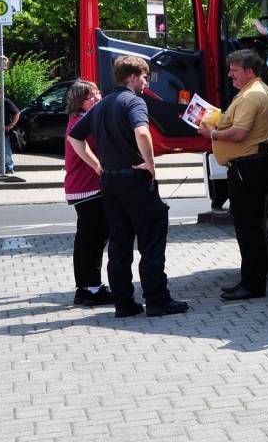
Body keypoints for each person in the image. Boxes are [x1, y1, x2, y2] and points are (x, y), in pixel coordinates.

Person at [67, 55, 188, 318]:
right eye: (144, 77)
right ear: (132, 77)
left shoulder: (103, 104)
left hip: (109, 181)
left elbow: (74, 136)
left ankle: (124, 303)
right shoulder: (134, 101)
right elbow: (142, 132)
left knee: (120, 242)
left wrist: (97, 165)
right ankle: (157, 299)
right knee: (152, 238)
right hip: (134, 178)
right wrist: (150, 164)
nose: (145, 82)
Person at [198, 50, 268, 301]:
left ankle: (252, 285)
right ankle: (249, 280)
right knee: (249, 226)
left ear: (249, 72)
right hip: (251, 165)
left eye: (234, 69)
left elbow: (240, 133)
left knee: (248, 228)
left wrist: (212, 134)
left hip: (247, 167)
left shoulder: (251, 95)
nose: (230, 73)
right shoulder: (253, 92)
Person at [64, 80, 114, 307]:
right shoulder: (82, 121)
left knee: (84, 239)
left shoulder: (80, 118)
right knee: (94, 238)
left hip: (81, 187)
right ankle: (92, 289)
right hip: (89, 187)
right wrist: (99, 168)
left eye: (97, 93)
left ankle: (84, 288)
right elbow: (81, 148)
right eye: (90, 96)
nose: (97, 98)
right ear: (79, 101)